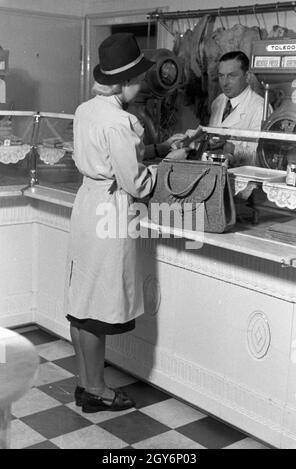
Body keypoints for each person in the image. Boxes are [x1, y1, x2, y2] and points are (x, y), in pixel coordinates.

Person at [65, 33, 177, 414]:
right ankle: (97, 389)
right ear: (124, 82)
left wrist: (156, 150)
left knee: (82, 303)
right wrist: (166, 169)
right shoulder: (121, 120)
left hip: (86, 205)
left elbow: (111, 156)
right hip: (110, 210)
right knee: (97, 310)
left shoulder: (86, 110)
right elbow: (136, 182)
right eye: (138, 78)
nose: (142, 84)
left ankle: (85, 383)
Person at [176, 51, 270, 166]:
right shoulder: (218, 101)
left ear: (248, 76)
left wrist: (229, 147)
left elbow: (262, 158)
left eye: (231, 76)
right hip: (213, 170)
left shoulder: (260, 107)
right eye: (221, 76)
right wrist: (194, 141)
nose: (224, 83)